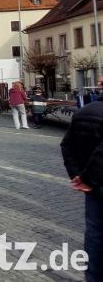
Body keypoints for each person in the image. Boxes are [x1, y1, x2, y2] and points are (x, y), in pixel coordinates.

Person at [60, 76, 103, 282]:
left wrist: (78, 175)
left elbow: (66, 145)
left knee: (95, 236)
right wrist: (85, 177)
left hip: (93, 188)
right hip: (93, 181)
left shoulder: (85, 111)